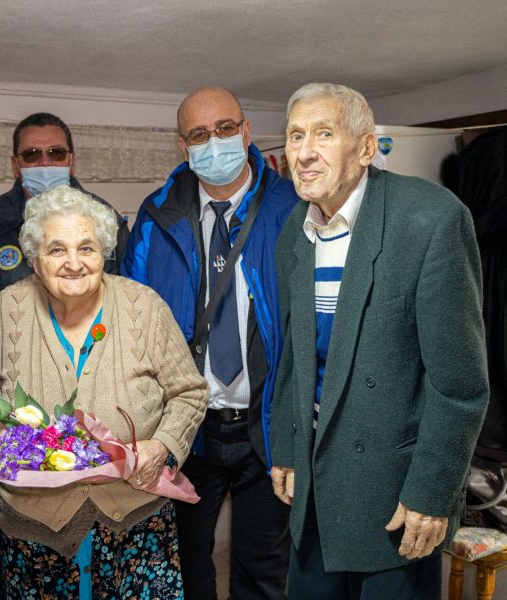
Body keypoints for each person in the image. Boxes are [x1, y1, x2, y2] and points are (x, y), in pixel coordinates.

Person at [269, 82, 489, 600]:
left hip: (395, 492)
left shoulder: (430, 219)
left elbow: (459, 386)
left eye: (324, 134)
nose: (303, 153)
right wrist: (286, 446)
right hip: (316, 486)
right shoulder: (291, 234)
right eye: (295, 135)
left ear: (366, 148)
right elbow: (294, 359)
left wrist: (432, 494)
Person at [0, 185, 208, 599]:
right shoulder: (5, 310)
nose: (73, 263)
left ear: (104, 252)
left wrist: (162, 445)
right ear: (34, 258)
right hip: (34, 525)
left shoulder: (144, 306)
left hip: (135, 514)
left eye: (86, 248)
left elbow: (190, 393)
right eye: (56, 250)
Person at [122, 87, 298, 599]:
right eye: (199, 134)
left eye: (225, 128)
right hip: (185, 430)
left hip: (266, 427)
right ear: (183, 147)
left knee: (264, 569)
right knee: (182, 564)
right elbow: (132, 325)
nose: (214, 142)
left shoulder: (292, 208)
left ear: (246, 133)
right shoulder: (156, 218)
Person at [0, 112, 129, 302]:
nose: (44, 162)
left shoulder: (109, 222)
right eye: (31, 154)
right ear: (15, 166)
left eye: (56, 153)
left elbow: (126, 298)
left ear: (71, 162)